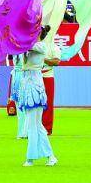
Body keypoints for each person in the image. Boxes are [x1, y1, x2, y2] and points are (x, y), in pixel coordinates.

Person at [19, 25, 58, 167]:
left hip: (35, 86)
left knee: (33, 124)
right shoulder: (28, 47)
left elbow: (25, 45)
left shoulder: (41, 46)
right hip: (27, 85)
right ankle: (50, 156)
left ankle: (31, 158)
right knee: (35, 124)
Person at [41, 42, 61, 135]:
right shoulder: (34, 45)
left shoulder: (53, 46)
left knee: (48, 103)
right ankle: (33, 128)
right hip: (33, 76)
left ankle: (47, 128)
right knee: (32, 103)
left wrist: (43, 59)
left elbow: (56, 62)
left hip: (47, 76)